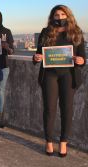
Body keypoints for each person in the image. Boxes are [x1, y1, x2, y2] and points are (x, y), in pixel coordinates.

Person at [33, 5, 86, 157]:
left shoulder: (76, 32)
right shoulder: (46, 32)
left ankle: (63, 142)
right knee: (49, 109)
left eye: (63, 14)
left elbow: (83, 56)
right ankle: (49, 142)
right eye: (57, 15)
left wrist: (81, 60)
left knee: (67, 109)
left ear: (68, 16)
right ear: (52, 17)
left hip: (68, 75)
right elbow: (38, 54)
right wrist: (36, 58)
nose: (60, 17)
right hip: (49, 74)